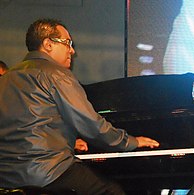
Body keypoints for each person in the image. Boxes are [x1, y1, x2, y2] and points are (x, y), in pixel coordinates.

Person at [0, 18, 159, 195]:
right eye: (68, 43)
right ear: (48, 44)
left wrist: (66, 140)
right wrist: (130, 141)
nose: (72, 51)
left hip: (7, 177)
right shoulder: (56, 74)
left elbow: (27, 125)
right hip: (46, 173)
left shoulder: (7, 78)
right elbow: (92, 126)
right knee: (113, 191)